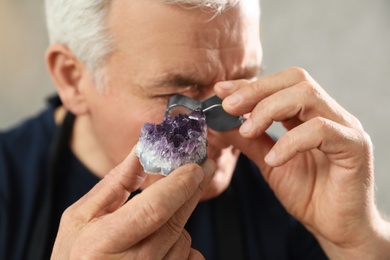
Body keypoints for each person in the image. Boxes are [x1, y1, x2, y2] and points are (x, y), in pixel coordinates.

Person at [1, 0, 389, 259]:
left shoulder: (296, 184)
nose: (227, 122)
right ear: (73, 80)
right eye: (178, 94)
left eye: (241, 82)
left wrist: (359, 241)